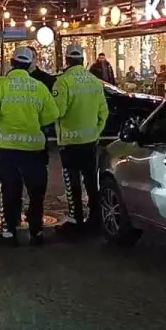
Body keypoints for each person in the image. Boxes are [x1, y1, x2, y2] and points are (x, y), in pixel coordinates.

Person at [0, 47, 60, 247]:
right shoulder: (38, 87)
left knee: (9, 190)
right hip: (34, 148)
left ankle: (9, 233)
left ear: (12, 63)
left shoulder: (0, 86)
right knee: (36, 192)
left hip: (8, 148)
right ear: (29, 64)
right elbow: (51, 114)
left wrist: (0, 124)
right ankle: (36, 232)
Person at [52, 46, 109, 237]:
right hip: (90, 141)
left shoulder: (63, 82)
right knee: (92, 181)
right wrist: (96, 131)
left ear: (67, 61)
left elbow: (57, 112)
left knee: (72, 182)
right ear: (83, 61)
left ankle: (75, 219)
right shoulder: (94, 82)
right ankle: (95, 218)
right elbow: (104, 112)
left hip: (69, 142)